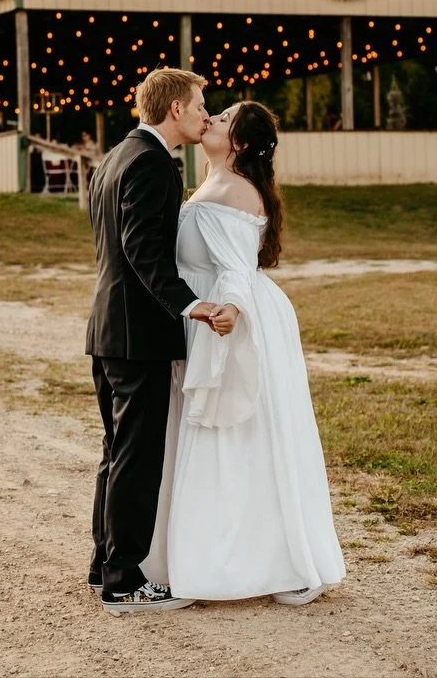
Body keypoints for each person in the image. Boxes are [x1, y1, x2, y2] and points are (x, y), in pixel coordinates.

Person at [144, 100, 346, 607]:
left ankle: (248, 560)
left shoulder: (234, 189)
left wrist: (230, 309)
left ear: (239, 144)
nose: (210, 118)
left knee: (238, 437)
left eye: (225, 118)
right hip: (208, 315)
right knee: (226, 437)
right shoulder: (213, 184)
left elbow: (234, 268)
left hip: (232, 322)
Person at [86, 68, 226, 614]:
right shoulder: (151, 163)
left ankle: (104, 566)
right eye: (198, 105)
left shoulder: (114, 157)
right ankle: (125, 581)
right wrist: (192, 306)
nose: (203, 114)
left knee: (116, 453)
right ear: (174, 110)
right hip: (137, 334)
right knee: (137, 458)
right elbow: (143, 250)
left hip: (108, 327)